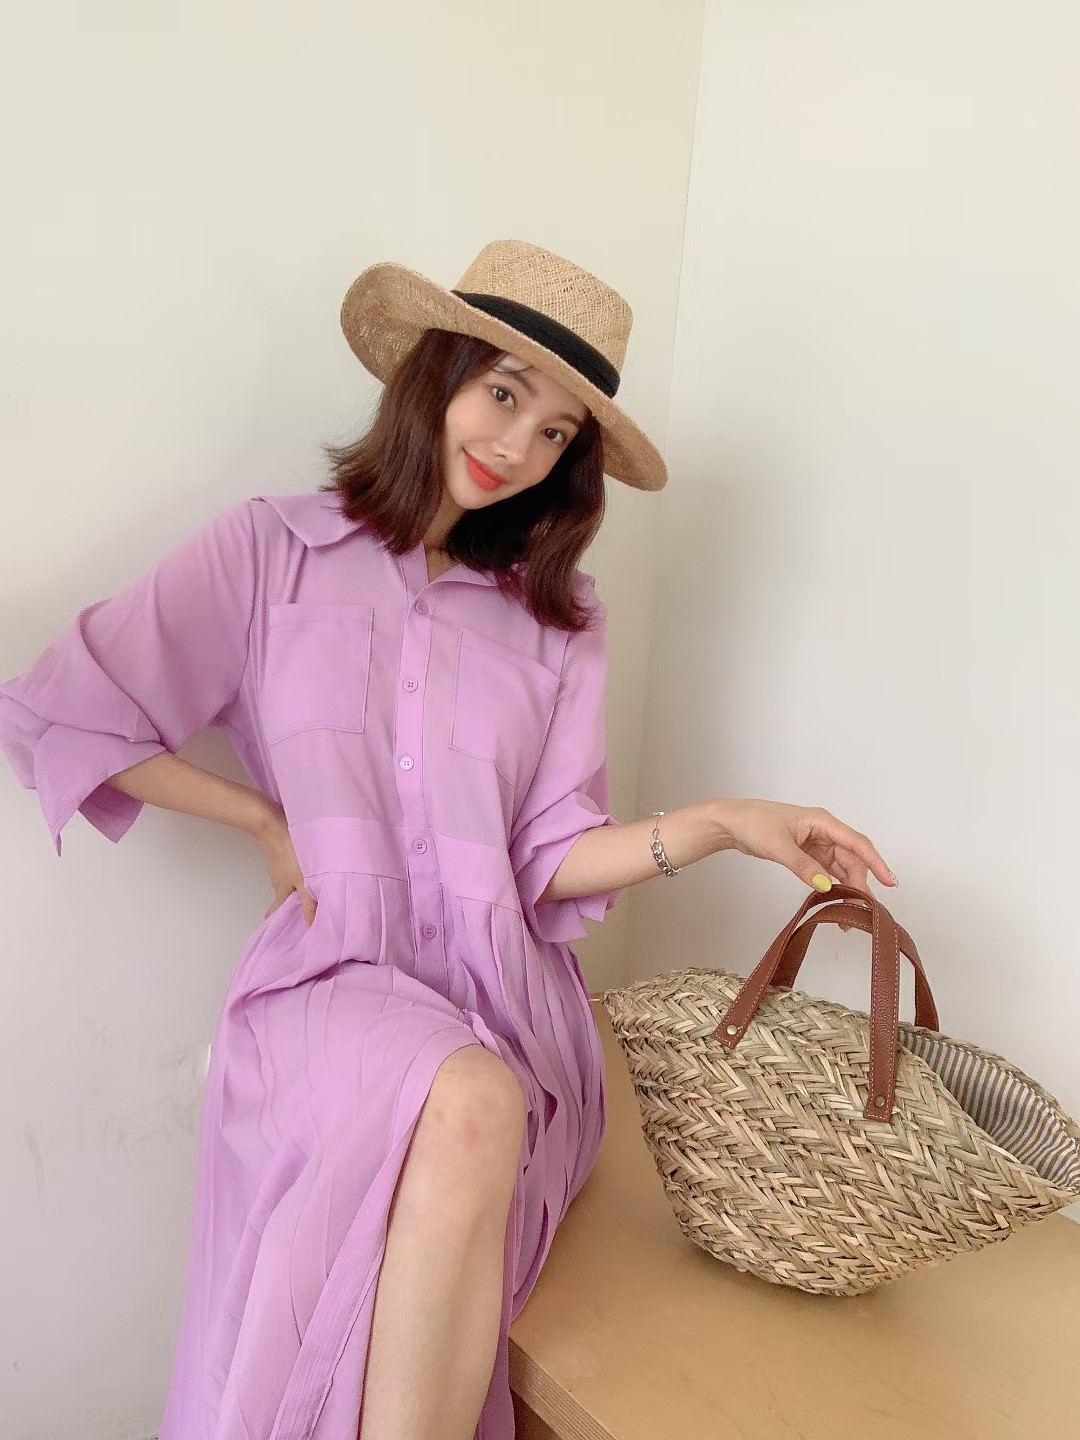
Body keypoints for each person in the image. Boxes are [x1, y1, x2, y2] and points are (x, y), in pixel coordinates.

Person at [0, 239, 896, 1440]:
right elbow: (65, 708)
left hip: (511, 1007)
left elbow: (545, 860)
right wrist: (260, 816)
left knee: (481, 1103)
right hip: (331, 981)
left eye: (556, 431)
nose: (518, 445)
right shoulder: (270, 554)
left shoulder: (560, 621)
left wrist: (726, 823)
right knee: (468, 1102)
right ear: (439, 373)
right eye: (504, 392)